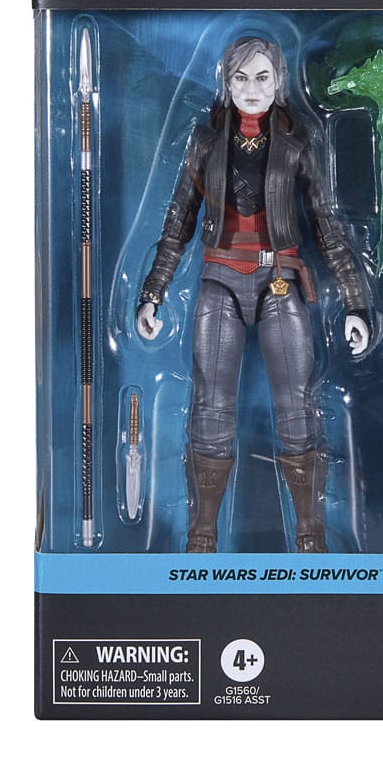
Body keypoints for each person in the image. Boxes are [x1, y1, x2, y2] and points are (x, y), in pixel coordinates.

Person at [137, 36, 369, 552]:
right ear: (226, 82)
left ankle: (310, 537)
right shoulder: (204, 142)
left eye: (262, 77)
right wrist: (153, 293)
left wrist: (355, 302)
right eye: (241, 77)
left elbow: (327, 225)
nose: (252, 88)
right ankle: (201, 536)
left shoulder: (297, 143)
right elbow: (179, 221)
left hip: (279, 280)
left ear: (279, 81)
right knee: (210, 409)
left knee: (298, 408)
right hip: (220, 279)